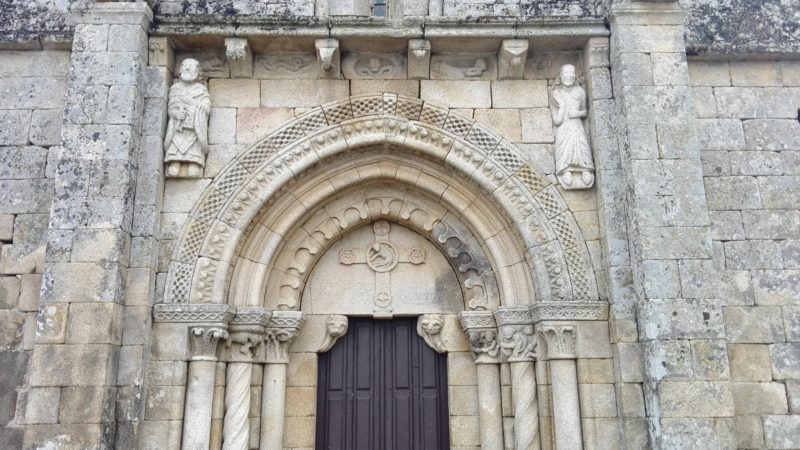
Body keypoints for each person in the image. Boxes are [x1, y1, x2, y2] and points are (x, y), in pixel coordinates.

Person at [550, 64, 595, 189]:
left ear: (575, 75)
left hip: (577, 125)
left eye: (571, 73)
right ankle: (565, 170)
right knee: (564, 148)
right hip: (563, 128)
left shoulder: (580, 91)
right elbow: (557, 121)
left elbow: (584, 111)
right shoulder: (556, 93)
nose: (569, 76)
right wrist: (562, 106)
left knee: (581, 146)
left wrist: (578, 113)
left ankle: (585, 169)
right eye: (566, 73)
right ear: (560, 76)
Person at [164, 58, 211, 178]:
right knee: (173, 170)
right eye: (185, 66)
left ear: (198, 71)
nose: (188, 68)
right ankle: (175, 160)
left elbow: (206, 108)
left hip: (194, 128)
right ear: (180, 70)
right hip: (178, 128)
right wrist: (175, 114)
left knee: (193, 169)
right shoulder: (175, 88)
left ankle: (195, 161)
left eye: (192, 66)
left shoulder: (201, 89)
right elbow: (171, 106)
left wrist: (193, 104)